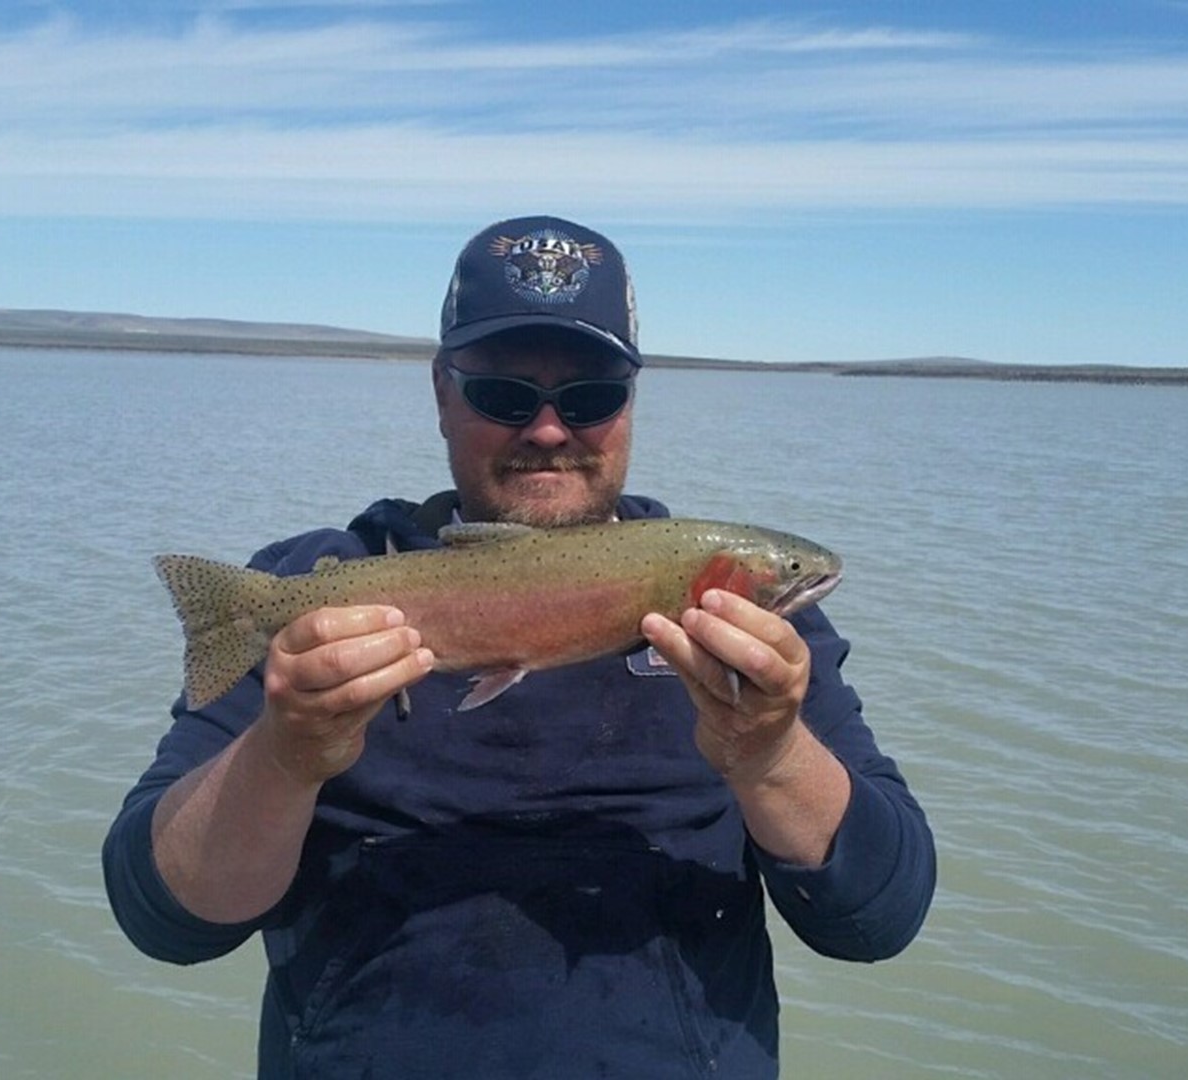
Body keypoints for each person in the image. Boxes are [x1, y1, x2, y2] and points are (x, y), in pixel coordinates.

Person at [103, 215, 936, 1078]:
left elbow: (879, 916)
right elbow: (164, 919)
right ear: (439, 394)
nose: (547, 430)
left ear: (631, 403)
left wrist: (768, 753)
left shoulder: (762, 645)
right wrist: (284, 755)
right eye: (504, 395)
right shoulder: (308, 596)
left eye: (588, 397)